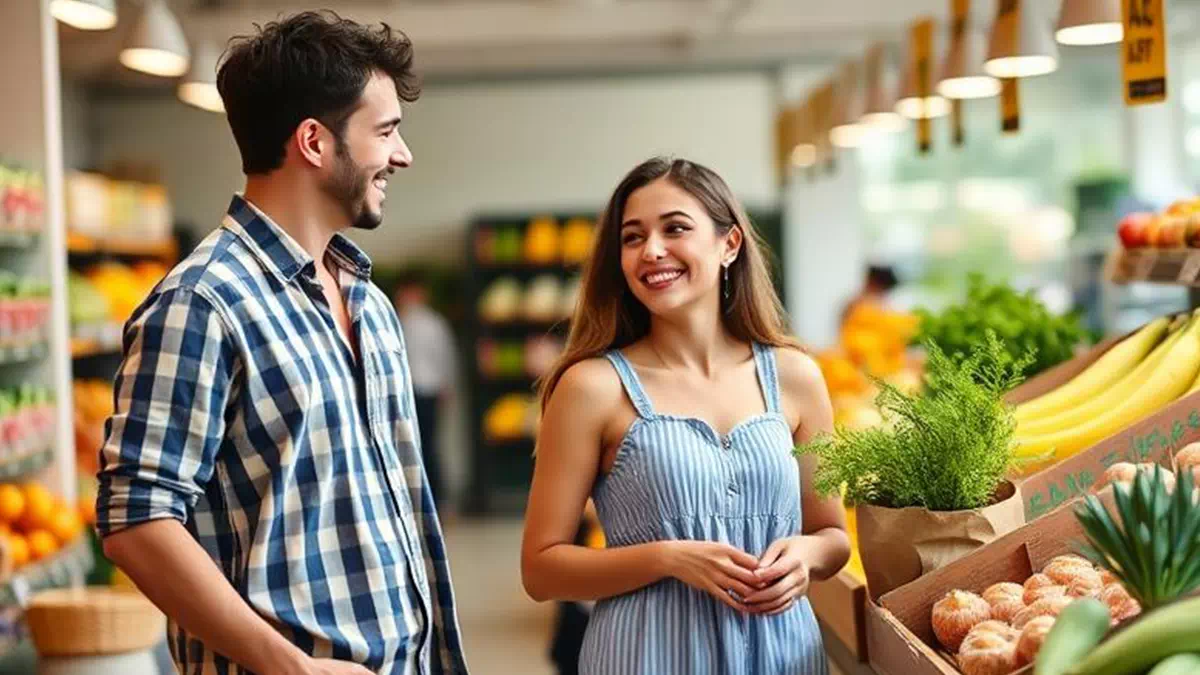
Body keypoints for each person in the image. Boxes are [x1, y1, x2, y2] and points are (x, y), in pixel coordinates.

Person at [94, 12, 468, 675]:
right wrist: (288, 664)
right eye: (385, 132)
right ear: (315, 142)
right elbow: (135, 519)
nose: (402, 155)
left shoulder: (370, 304)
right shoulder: (201, 303)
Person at [520, 157, 850, 674]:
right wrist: (669, 558)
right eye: (632, 238)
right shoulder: (592, 387)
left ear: (729, 244)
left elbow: (833, 536)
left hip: (783, 655)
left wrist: (804, 558)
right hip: (646, 656)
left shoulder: (796, 377)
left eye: (675, 228)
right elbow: (541, 570)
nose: (651, 250)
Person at [393, 271, 458, 511]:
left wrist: (445, 387)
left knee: (427, 447)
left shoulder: (431, 323)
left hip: (426, 391)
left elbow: (445, 357)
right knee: (414, 447)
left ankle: (437, 501)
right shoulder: (397, 319)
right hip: (409, 391)